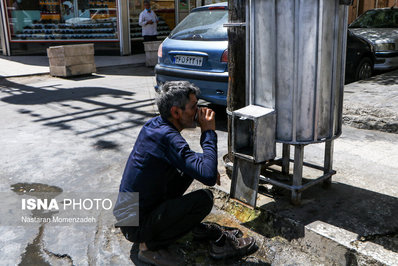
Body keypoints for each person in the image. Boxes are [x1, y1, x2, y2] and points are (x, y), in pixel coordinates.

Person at [114, 81, 257, 265]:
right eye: (194, 107)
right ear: (175, 112)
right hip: (136, 226)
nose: (199, 112)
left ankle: (174, 227)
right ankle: (148, 246)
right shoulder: (169, 138)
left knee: (191, 168)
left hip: (129, 215)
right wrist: (208, 133)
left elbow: (197, 165)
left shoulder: (154, 126)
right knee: (204, 199)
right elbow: (208, 177)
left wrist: (206, 165)